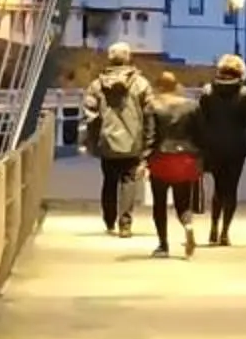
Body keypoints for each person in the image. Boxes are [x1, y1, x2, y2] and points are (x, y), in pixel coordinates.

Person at [191, 53, 246, 246]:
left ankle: (213, 227)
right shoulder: (245, 96)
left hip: (212, 148)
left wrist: (197, 145)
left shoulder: (207, 93)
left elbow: (199, 121)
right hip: (236, 149)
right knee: (231, 190)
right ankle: (224, 232)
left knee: (218, 187)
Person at [87, 42, 152, 236]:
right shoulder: (141, 84)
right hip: (133, 142)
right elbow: (150, 113)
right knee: (129, 181)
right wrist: (148, 142)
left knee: (109, 180)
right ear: (129, 57)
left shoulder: (97, 84)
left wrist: (92, 140)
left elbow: (90, 114)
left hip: (107, 142)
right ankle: (125, 223)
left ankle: (109, 220)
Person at [144, 70, 202, 258]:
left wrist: (143, 158)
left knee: (159, 204)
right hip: (185, 159)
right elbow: (199, 134)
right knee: (183, 203)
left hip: (161, 158)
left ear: (158, 87)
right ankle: (188, 225)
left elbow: (150, 135)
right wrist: (199, 157)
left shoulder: (153, 106)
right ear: (177, 86)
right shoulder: (192, 106)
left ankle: (163, 245)